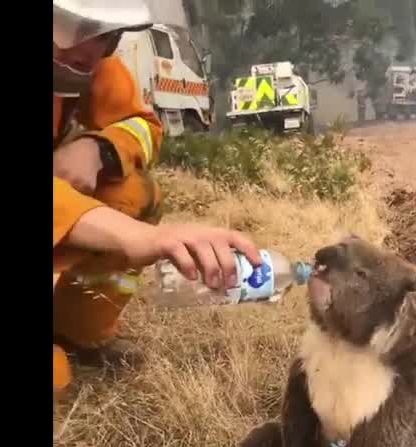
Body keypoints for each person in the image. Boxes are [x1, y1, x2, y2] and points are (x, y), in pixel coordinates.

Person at [53, 0, 261, 391]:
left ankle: (78, 332)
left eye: (109, 36)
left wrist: (99, 149)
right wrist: (137, 237)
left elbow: (142, 125)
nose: (96, 51)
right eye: (82, 29)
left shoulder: (89, 63)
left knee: (135, 193)